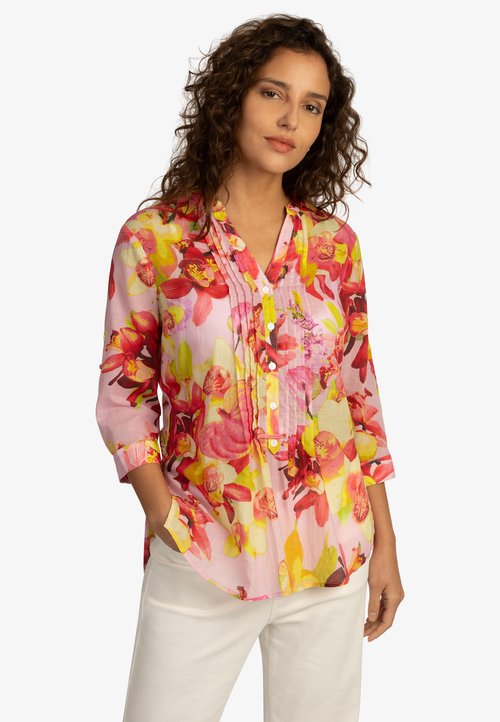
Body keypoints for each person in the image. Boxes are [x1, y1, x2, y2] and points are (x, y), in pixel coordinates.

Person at [95, 13, 404, 722]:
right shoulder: (156, 240)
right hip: (205, 550)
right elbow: (123, 389)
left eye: (312, 106)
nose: (290, 119)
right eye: (273, 93)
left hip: (330, 553)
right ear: (232, 96)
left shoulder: (334, 247)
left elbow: (357, 395)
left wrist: (384, 542)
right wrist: (162, 513)